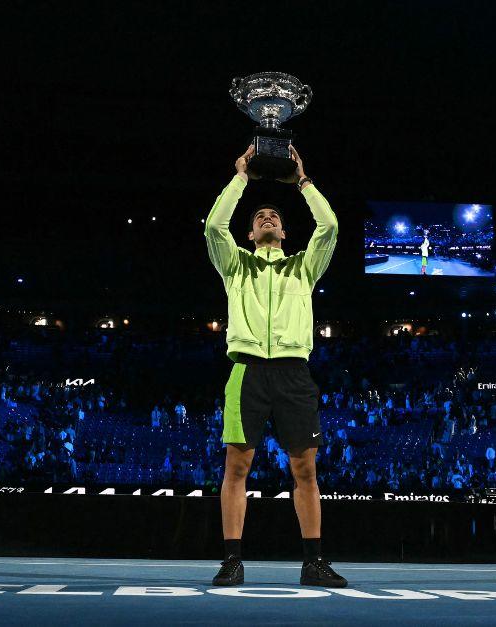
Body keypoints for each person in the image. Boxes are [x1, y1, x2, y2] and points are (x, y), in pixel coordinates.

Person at [204, 144, 346, 588]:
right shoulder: (235, 267)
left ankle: (314, 563)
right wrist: (241, 177)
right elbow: (213, 225)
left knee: (305, 470)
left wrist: (302, 181)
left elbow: (330, 225)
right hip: (246, 370)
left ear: (284, 233)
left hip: (293, 374)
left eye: (275, 218)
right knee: (236, 468)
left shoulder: (303, 269)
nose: (267, 218)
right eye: (259, 218)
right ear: (250, 235)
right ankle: (232, 560)